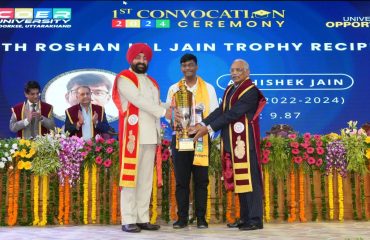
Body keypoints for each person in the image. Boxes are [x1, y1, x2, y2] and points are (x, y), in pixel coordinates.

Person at [192, 59, 266, 231]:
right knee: (241, 180)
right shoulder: (230, 88)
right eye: (232, 70)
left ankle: (255, 219)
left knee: (251, 181)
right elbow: (221, 111)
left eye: (238, 70)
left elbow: (232, 114)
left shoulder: (251, 91)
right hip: (233, 141)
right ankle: (245, 218)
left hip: (246, 143)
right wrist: (202, 124)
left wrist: (209, 129)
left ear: (247, 72)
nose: (234, 73)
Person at [112, 43, 172, 233]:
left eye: (145, 58)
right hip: (133, 136)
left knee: (145, 179)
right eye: (138, 57)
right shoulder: (124, 77)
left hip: (150, 135)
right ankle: (128, 218)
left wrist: (173, 107)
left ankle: (142, 217)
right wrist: (164, 111)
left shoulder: (152, 82)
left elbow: (154, 103)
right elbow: (138, 100)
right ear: (131, 59)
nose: (142, 61)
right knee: (130, 178)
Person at [165, 53, 218, 229]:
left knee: (201, 181)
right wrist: (173, 116)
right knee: (181, 181)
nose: (187, 68)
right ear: (181, 68)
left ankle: (201, 218)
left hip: (201, 139)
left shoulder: (208, 88)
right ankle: (182, 218)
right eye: (184, 66)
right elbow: (167, 115)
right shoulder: (174, 88)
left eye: (190, 65)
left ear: (196, 67)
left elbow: (216, 113)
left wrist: (203, 127)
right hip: (181, 140)